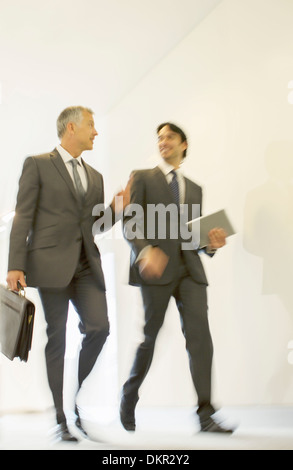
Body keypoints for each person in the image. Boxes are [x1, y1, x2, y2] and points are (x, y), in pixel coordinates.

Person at [6, 106, 130, 442]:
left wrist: (115, 211)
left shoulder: (96, 177)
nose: (96, 132)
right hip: (49, 264)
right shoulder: (38, 164)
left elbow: (94, 226)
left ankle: (73, 400)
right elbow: (23, 215)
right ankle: (61, 418)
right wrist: (15, 264)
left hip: (86, 264)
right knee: (56, 337)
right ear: (71, 128)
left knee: (99, 327)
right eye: (91, 125)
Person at [120, 122, 233, 433]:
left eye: (169, 137)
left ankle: (206, 413)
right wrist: (145, 252)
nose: (163, 142)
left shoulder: (195, 188)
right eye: (159, 138)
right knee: (150, 338)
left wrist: (211, 243)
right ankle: (128, 397)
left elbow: (191, 235)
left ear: (184, 144)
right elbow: (130, 222)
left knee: (200, 340)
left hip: (190, 271)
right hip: (155, 269)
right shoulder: (142, 178)